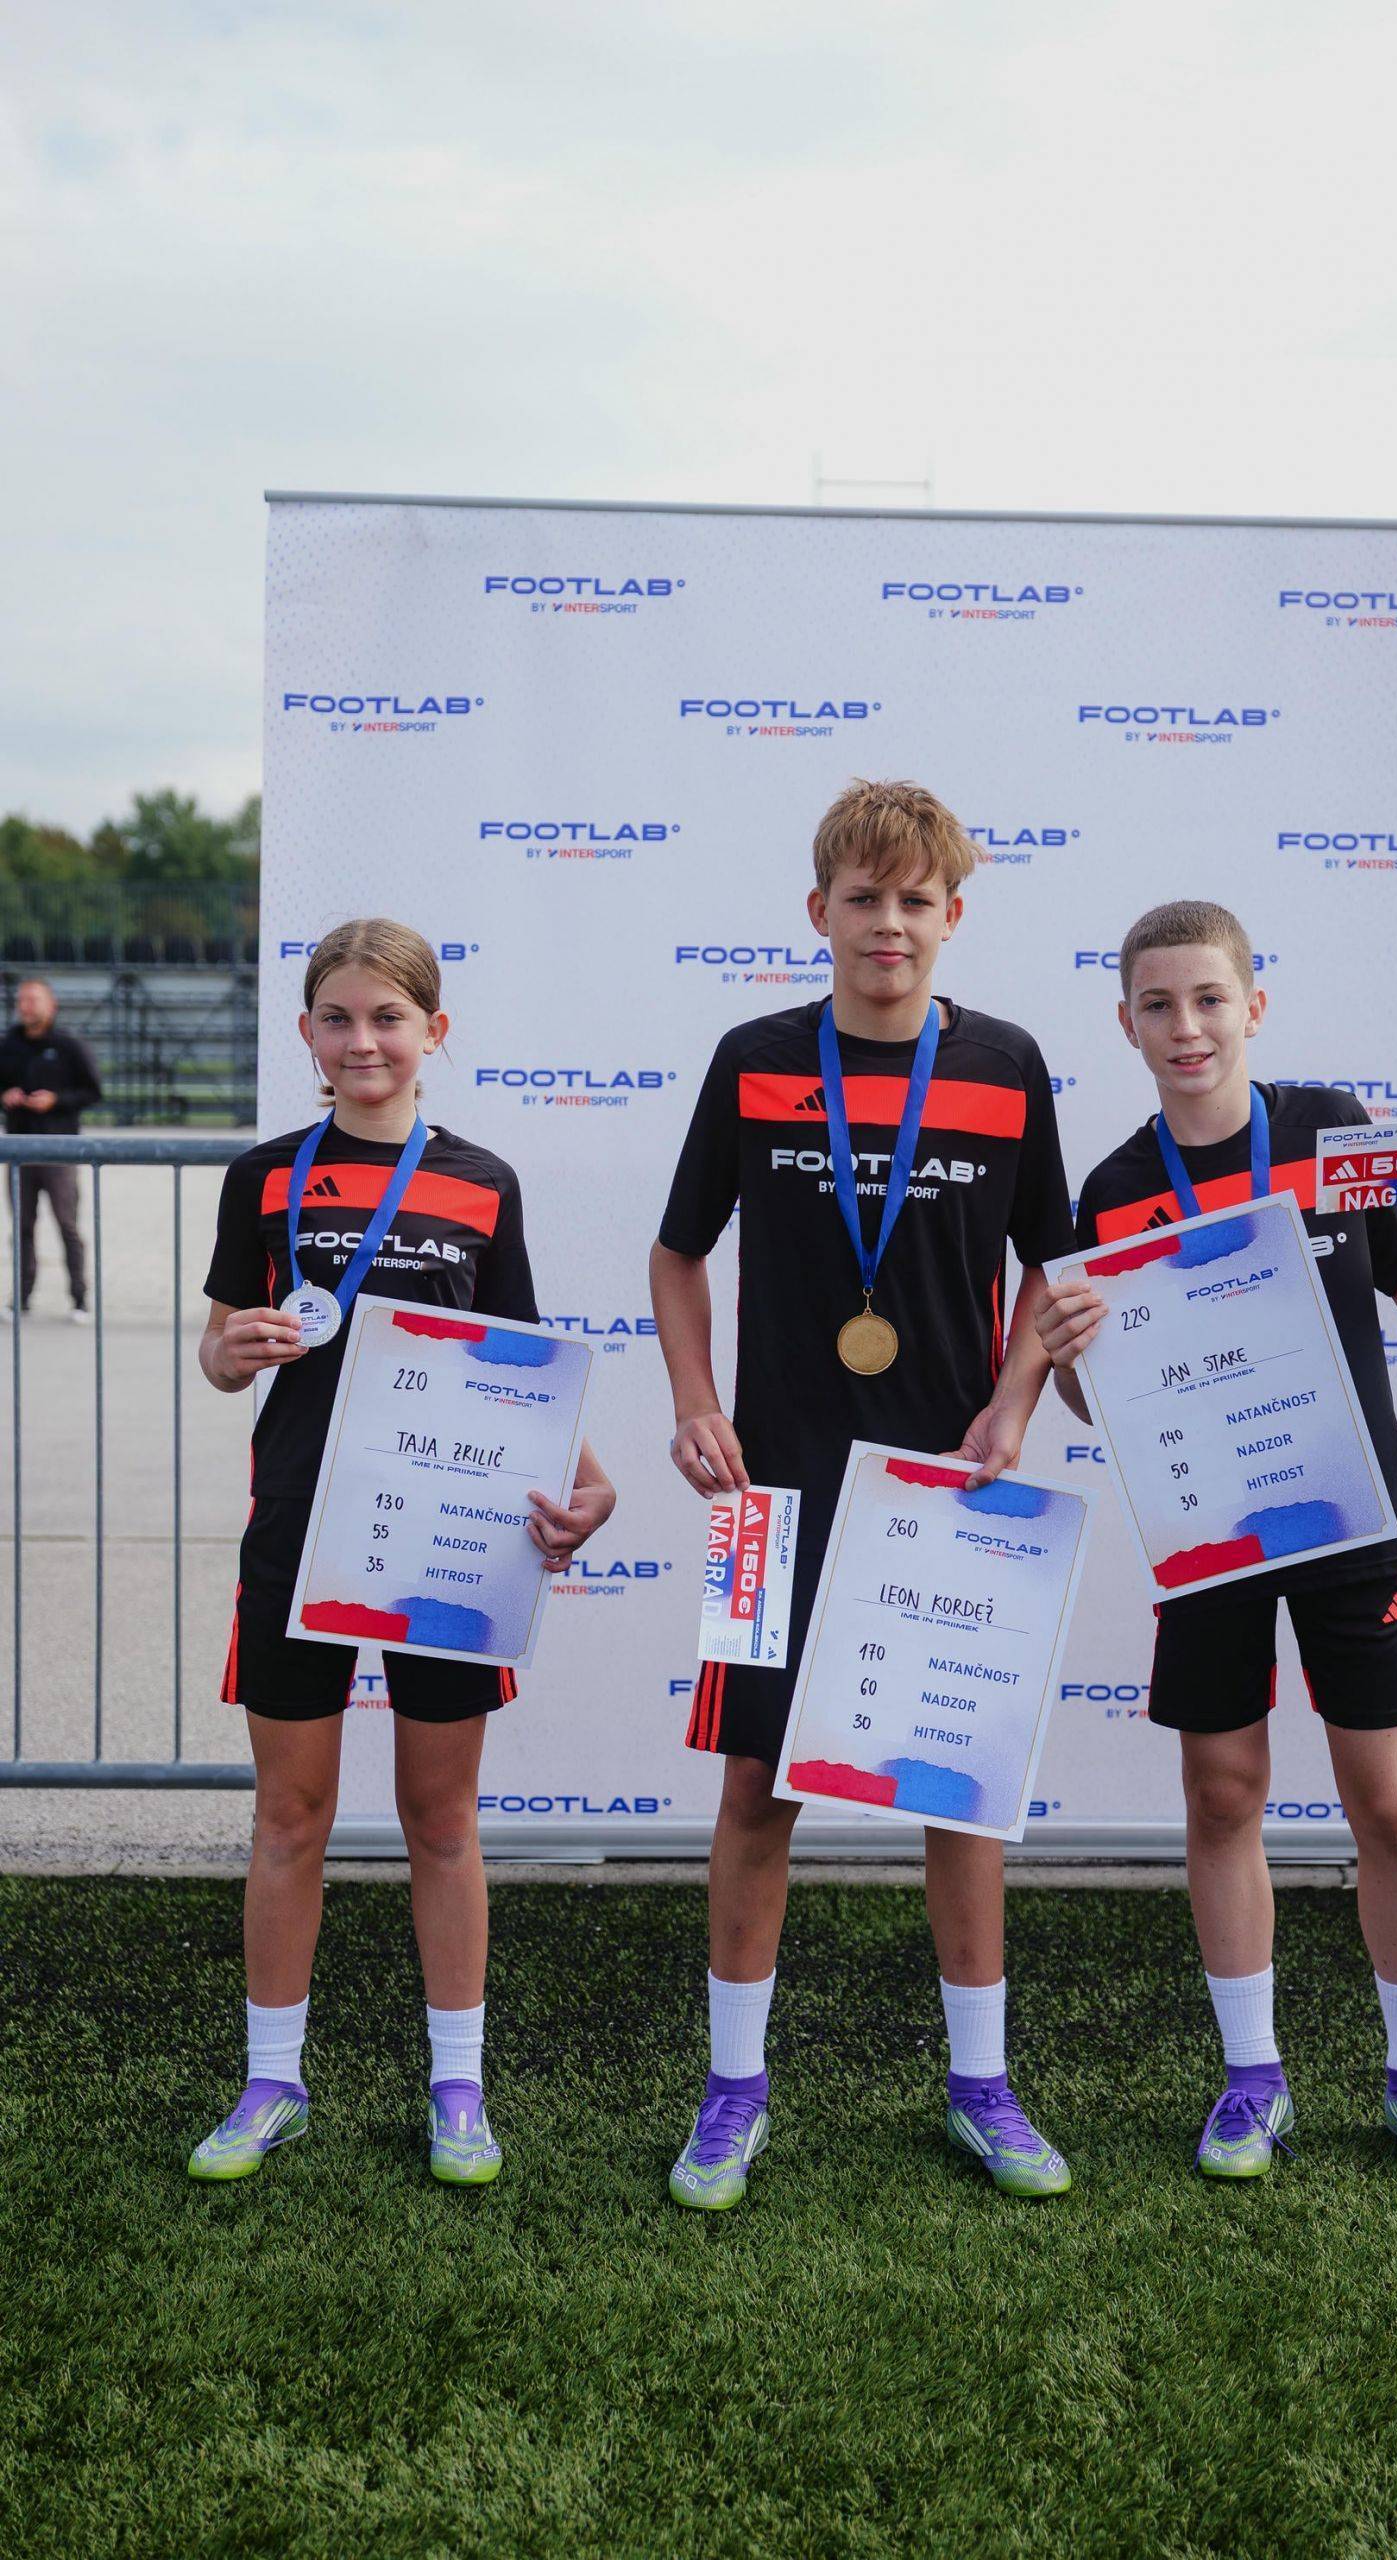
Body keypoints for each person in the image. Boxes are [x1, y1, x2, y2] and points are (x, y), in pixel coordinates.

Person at [650, 779, 1077, 2210]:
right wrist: (694, 1403)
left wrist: (1013, 1404)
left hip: (947, 1491)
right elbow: (675, 1253)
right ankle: (732, 2089)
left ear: (952, 916)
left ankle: (981, 2085)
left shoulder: (1007, 1064)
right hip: (767, 1494)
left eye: (914, 901)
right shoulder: (754, 1059)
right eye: (862, 898)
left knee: (957, 1793)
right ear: (816, 911)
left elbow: (1052, 1267)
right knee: (752, 1788)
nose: (887, 923)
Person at [1037, 899, 1397, 2192]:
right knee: (1223, 1793)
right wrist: (1067, 1364)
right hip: (1211, 1529)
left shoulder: (1326, 1128)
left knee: (1390, 1804)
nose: (1185, 1027)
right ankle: (1252, 2075)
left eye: (1207, 998)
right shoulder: (1114, 1190)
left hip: (1347, 1515)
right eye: (1157, 1004)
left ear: (1254, 1004)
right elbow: (1103, 1401)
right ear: (1124, 1023)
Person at [190, 918, 615, 2187]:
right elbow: (220, 1348)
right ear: (306, 1032)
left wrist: (587, 1480)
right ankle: (272, 2082)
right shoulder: (265, 1176)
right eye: (338, 1017)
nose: (363, 1040)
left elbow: (520, 1370)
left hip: (449, 1540)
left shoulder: (483, 1182)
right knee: (291, 1814)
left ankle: (458, 2085)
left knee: (441, 1815)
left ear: (436, 1030)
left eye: (388, 1017)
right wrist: (232, 1351)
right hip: (300, 1530)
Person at [0, 975, 102, 1323]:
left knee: (67, 1225)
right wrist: (6, 1096)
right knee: (22, 1227)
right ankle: (21, 1298)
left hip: (60, 1152)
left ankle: (79, 1299)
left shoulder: (68, 1045)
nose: (26, 1006)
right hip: (19, 1152)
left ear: (51, 1005)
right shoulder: (8, 1045)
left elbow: (93, 1091)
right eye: (22, 1000)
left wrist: (56, 1100)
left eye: (33, 999)